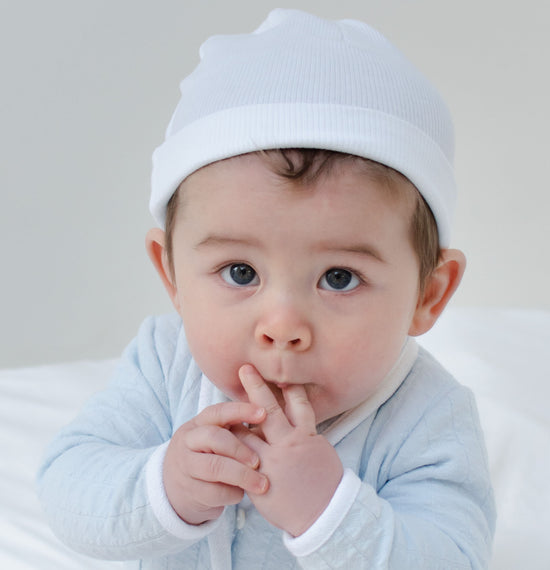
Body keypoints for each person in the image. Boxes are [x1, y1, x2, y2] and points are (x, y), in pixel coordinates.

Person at [38, 8, 495, 569]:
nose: (282, 326)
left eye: (339, 278)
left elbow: (456, 557)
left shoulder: (428, 415)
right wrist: (168, 485)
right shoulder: (166, 364)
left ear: (429, 294)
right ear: (172, 275)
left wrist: (328, 512)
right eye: (240, 272)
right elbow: (67, 486)